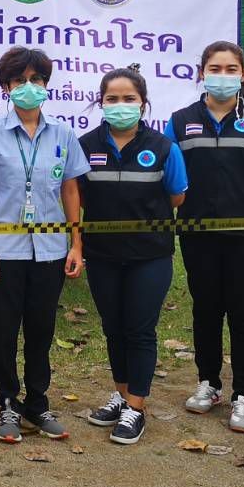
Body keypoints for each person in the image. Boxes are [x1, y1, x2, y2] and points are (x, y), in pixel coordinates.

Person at [0, 47, 88, 444]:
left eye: (36, 80)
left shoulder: (63, 134)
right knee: (4, 328)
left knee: (41, 328)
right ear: (6, 87)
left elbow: (71, 189)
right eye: (20, 81)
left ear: (46, 85)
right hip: (5, 249)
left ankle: (37, 402)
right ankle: (6, 402)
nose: (28, 87)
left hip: (50, 249)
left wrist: (75, 244)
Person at [165, 41, 244, 434]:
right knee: (206, 310)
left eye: (231, 68)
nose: (223, 74)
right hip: (197, 235)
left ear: (243, 75)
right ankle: (209, 383)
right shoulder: (180, 120)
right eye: (215, 67)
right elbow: (168, 183)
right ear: (201, 73)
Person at [78, 68, 187, 445]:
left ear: (143, 103)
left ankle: (136, 409)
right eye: (112, 99)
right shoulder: (85, 144)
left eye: (129, 99)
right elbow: (77, 197)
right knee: (113, 327)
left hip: (150, 256)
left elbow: (176, 196)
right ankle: (122, 395)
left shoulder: (163, 147)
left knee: (140, 330)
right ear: (100, 102)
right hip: (102, 254)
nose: (121, 106)